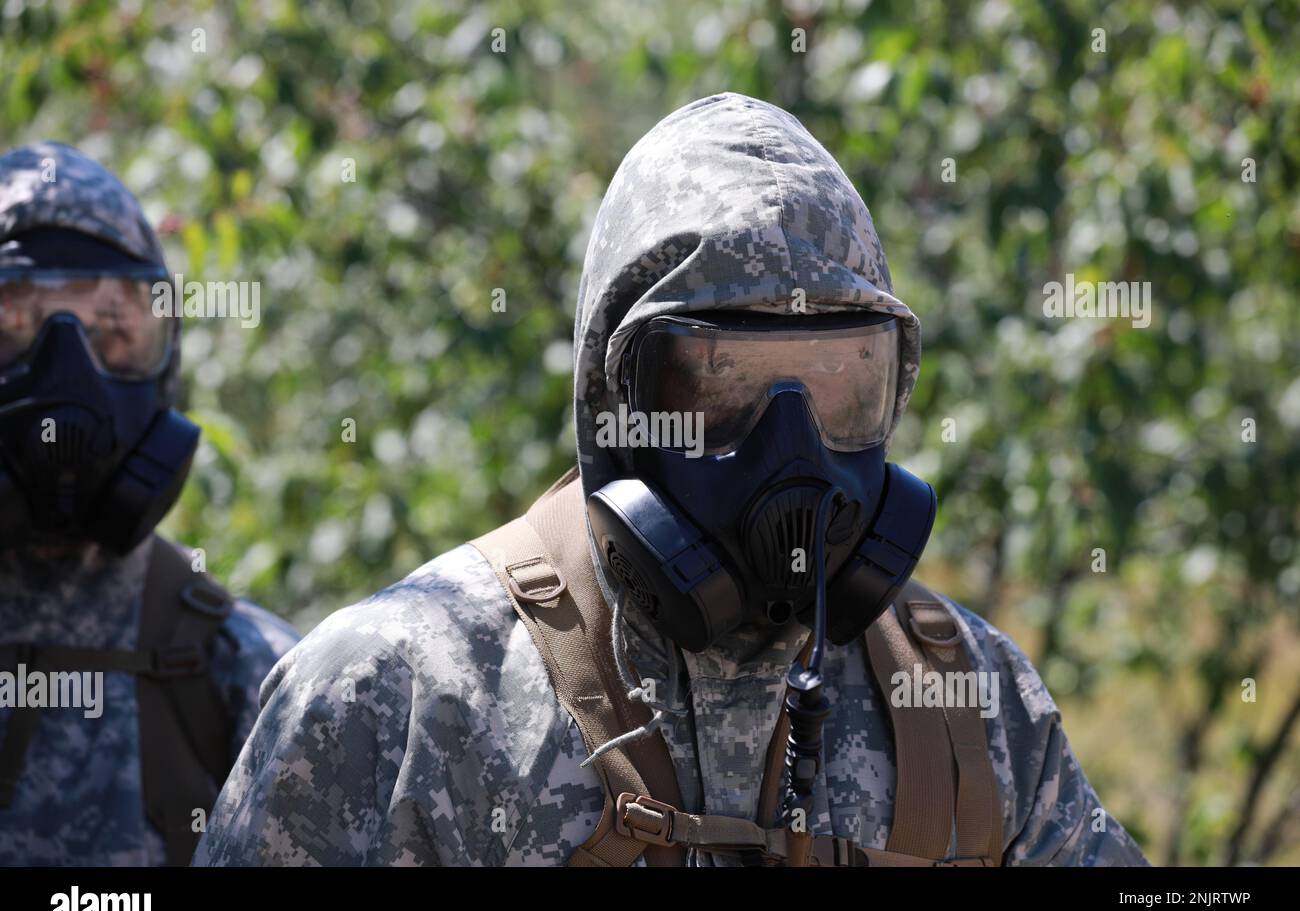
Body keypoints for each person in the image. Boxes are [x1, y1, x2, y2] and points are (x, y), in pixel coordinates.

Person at [194, 93, 1147, 867]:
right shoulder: (394, 694)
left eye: (843, 385)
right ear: (614, 403)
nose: (797, 453)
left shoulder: (968, 701)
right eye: (719, 383)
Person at [0, 142, 299, 866]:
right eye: (14, 331)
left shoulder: (249, 674)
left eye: (113, 332)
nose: (70, 380)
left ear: (167, 354)